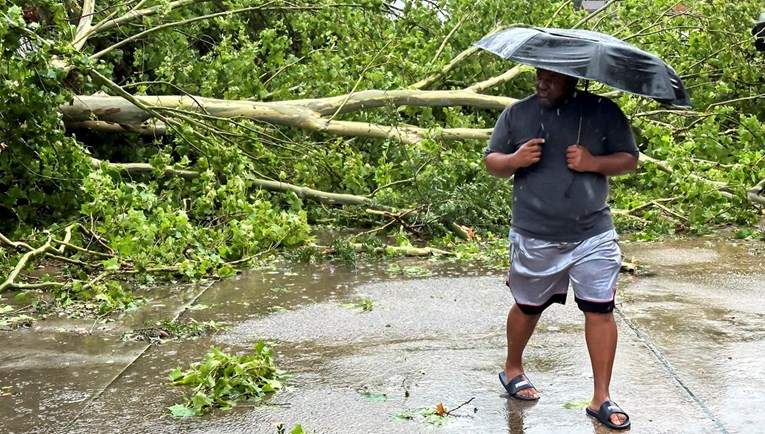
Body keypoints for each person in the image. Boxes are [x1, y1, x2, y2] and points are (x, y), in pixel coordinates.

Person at [484, 68, 639, 430]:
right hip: (534, 233)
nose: (542, 83)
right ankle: (513, 368)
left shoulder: (603, 111)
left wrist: (593, 163)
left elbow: (629, 160)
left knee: (601, 310)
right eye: (539, 75)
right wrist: (514, 160)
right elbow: (492, 161)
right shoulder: (517, 114)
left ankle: (601, 397)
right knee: (528, 305)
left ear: (574, 78)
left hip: (593, 232)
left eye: (552, 78)